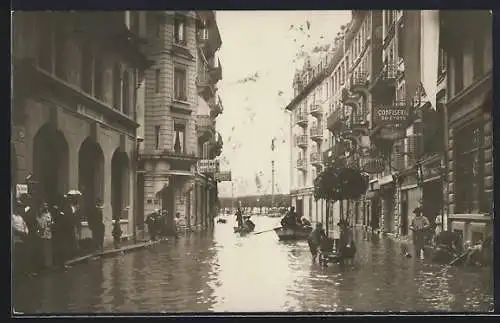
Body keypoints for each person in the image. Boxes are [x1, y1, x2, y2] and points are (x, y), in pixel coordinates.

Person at [12, 201, 30, 278]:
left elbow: (24, 224)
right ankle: (17, 271)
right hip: (17, 237)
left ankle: (23, 270)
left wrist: (26, 231)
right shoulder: (12, 216)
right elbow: (13, 227)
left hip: (23, 236)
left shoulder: (20, 217)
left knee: (23, 253)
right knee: (17, 254)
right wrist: (20, 232)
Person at [35, 202, 54, 271]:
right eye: (44, 205)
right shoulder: (39, 215)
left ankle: (49, 264)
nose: (46, 207)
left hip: (48, 232)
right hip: (42, 233)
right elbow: (38, 223)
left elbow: (51, 220)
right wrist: (41, 227)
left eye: (47, 205)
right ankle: (43, 265)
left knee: (49, 249)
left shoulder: (49, 213)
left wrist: (51, 224)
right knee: (43, 249)